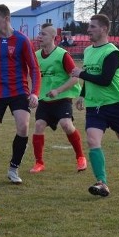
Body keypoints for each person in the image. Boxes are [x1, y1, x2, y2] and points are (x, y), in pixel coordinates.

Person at [71, 14, 119, 197]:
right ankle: (102, 183)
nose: (88, 30)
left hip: (116, 105)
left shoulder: (112, 53)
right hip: (95, 107)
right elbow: (90, 76)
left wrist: (80, 74)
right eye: (88, 27)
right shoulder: (88, 51)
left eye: (92, 27)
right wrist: (82, 95)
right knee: (93, 141)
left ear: (104, 29)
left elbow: (104, 80)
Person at [0, 4, 41, 184]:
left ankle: (14, 168)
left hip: (19, 91)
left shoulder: (22, 40)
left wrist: (35, 93)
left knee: (23, 127)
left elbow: (34, 69)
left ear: (6, 19)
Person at [30, 24, 87, 174]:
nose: (39, 37)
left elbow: (75, 78)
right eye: (39, 34)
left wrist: (58, 90)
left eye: (43, 34)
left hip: (62, 99)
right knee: (38, 126)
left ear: (54, 38)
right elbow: (33, 76)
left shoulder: (62, 55)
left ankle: (80, 157)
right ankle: (39, 163)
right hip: (44, 100)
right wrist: (33, 94)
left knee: (66, 124)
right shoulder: (35, 56)